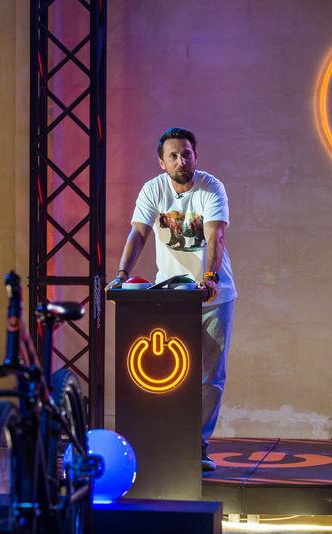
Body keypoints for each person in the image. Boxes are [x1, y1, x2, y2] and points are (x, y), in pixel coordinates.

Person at [106, 127, 236, 471]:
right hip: (172, 295)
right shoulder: (153, 189)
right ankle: (167, 439)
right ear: (162, 162)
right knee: (169, 371)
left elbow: (216, 235)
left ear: (196, 156)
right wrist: (121, 273)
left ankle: (198, 442)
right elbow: (139, 232)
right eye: (174, 156)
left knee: (210, 375)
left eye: (187, 154)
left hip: (213, 297)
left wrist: (210, 277)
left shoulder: (211, 188)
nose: (181, 161)